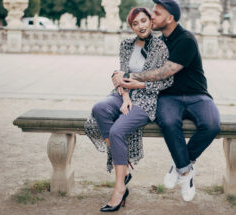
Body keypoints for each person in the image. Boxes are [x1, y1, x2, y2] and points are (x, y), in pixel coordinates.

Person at [113, 0, 221, 202]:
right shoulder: (157, 41)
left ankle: (181, 163)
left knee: (212, 125)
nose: (152, 16)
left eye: (157, 13)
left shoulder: (186, 39)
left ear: (170, 18)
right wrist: (118, 75)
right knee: (169, 123)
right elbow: (133, 61)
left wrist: (130, 77)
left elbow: (165, 72)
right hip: (169, 95)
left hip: (197, 94)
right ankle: (186, 172)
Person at [84, 7, 173, 212]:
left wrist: (139, 86)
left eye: (143, 21)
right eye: (135, 23)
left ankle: (119, 188)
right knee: (99, 109)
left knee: (117, 131)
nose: (140, 26)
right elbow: (122, 73)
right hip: (123, 94)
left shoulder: (161, 46)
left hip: (147, 100)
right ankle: (123, 169)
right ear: (131, 26)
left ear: (150, 22)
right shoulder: (126, 44)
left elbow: (168, 81)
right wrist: (124, 97)